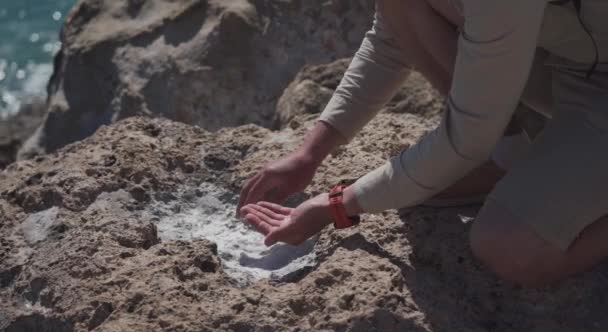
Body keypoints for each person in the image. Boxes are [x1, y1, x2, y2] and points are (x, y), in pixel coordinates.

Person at [237, 0, 608, 287]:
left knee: (511, 246)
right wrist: (311, 152)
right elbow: (392, 35)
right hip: (571, 61)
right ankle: (506, 155)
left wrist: (338, 204)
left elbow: (465, 140)